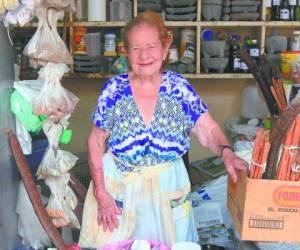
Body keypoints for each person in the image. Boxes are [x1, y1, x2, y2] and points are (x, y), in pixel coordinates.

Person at [79, 11, 248, 249]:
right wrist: (100, 192)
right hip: (120, 190)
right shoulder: (114, 90)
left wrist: (227, 153)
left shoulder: (178, 89)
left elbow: (207, 129)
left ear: (164, 48)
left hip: (167, 188)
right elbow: (96, 143)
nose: (144, 55)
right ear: (126, 52)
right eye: (136, 48)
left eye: (151, 46)